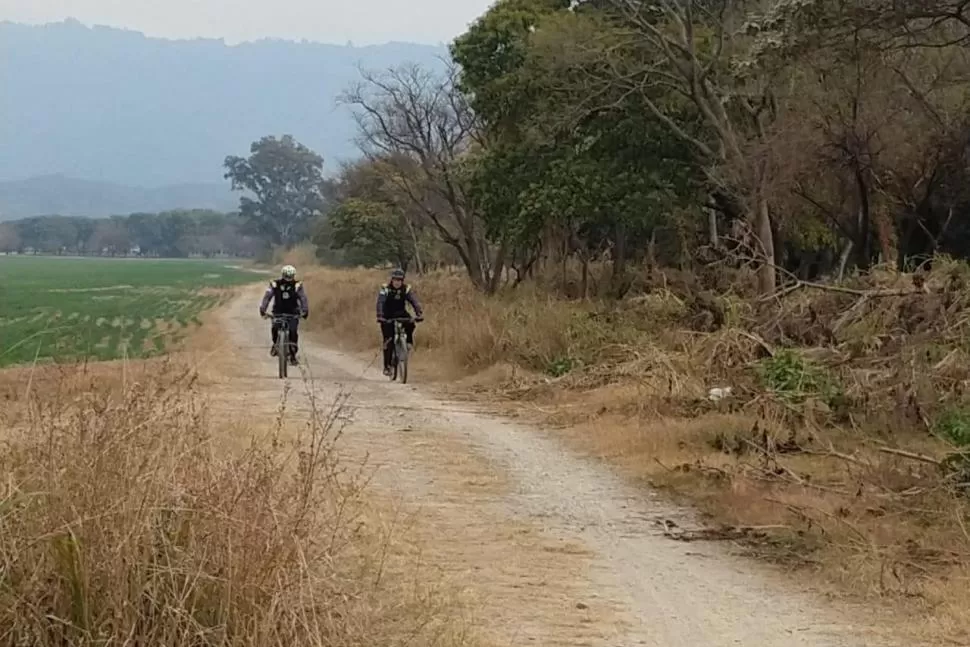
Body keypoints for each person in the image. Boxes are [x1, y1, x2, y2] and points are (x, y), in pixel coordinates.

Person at [376, 268, 423, 376]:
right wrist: (380, 315)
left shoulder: (406, 289)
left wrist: (419, 313)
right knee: (388, 341)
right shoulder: (385, 289)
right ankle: (387, 366)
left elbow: (414, 301)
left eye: (400, 280)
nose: (397, 282)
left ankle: (408, 342)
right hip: (387, 316)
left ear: (402, 281)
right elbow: (380, 303)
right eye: (395, 279)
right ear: (392, 280)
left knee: (411, 323)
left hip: (401, 313)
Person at [259, 265, 309, 365]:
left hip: (293, 313)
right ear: (283, 275)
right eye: (286, 275)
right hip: (278, 312)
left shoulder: (297, 285)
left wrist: (305, 310)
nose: (288, 278)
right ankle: (275, 345)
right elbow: (267, 297)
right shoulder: (274, 284)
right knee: (275, 328)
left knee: (293, 332)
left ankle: (293, 355)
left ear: (293, 275)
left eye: (290, 276)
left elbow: (303, 298)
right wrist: (263, 308)